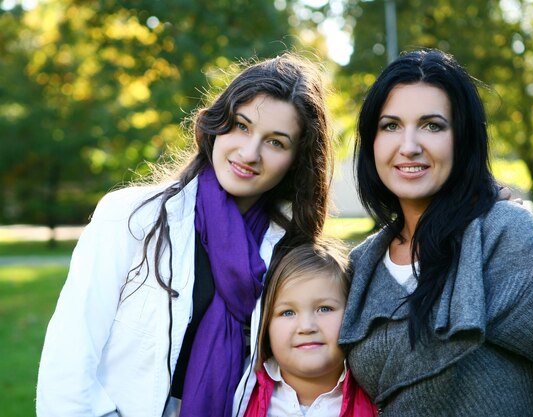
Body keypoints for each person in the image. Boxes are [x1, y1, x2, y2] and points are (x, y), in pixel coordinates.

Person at [36, 53, 334, 417]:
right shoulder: (131, 217)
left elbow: (294, 380)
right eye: (241, 126)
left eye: (276, 142)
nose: (249, 152)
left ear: (296, 159)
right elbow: (69, 354)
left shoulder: (288, 251)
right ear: (218, 123)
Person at [339, 48, 533, 416]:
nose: (408, 147)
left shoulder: (506, 235)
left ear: (463, 138)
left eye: (433, 125)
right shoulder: (361, 264)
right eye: (391, 125)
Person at [241, 241, 378, 417]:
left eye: (324, 309)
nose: (306, 327)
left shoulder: (377, 398)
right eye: (288, 312)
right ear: (266, 324)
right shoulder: (241, 392)